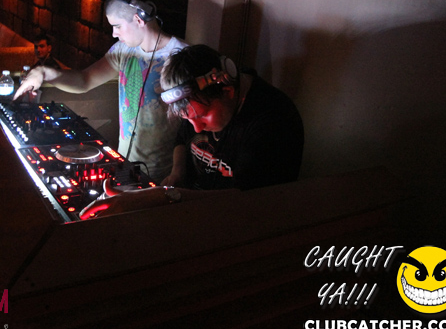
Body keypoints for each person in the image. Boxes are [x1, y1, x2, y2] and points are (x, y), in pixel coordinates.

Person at [79, 44, 304, 220]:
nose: (197, 128)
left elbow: (246, 200)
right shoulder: (200, 100)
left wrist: (166, 197)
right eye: (188, 118)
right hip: (194, 211)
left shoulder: (273, 121)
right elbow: (183, 137)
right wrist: (178, 172)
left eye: (202, 116)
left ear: (227, 91)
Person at [14, 0, 187, 183]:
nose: (114, 33)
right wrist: (44, 72)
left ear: (139, 19)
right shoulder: (122, 50)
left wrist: (177, 173)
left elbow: (190, 128)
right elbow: (85, 80)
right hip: (126, 168)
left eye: (117, 26)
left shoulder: (181, 56)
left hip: (163, 176)